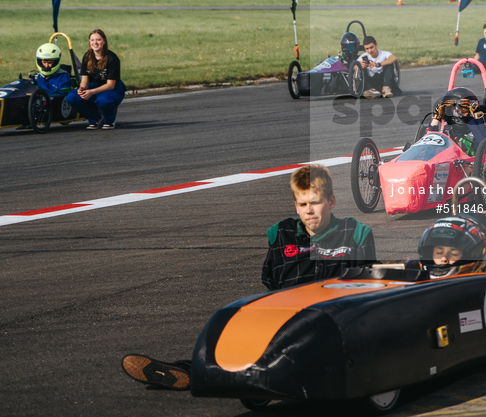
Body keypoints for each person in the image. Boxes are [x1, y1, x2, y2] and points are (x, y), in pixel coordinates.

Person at [121, 164, 377, 391]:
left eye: (316, 202)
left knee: (291, 357)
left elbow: (368, 286)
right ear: (295, 206)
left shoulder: (355, 233)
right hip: (287, 318)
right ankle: (191, 370)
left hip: (332, 321)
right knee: (231, 327)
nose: (309, 210)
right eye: (302, 204)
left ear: (331, 202)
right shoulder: (281, 235)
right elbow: (271, 282)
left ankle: (270, 375)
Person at [64, 29, 126, 130]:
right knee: (72, 97)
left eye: (98, 40)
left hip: (112, 88)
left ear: (104, 41)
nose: (95, 43)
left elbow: (110, 84)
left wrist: (91, 92)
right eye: (92, 40)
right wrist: (82, 88)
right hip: (94, 86)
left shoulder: (112, 58)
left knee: (103, 100)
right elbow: (85, 79)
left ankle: (109, 120)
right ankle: (94, 118)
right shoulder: (87, 57)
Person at [427, 87, 486, 155]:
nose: (458, 113)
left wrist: (470, 118)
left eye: (463, 109)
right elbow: (429, 143)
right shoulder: (449, 128)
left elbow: (484, 144)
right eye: (455, 110)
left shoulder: (476, 126)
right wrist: (437, 118)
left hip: (468, 158)